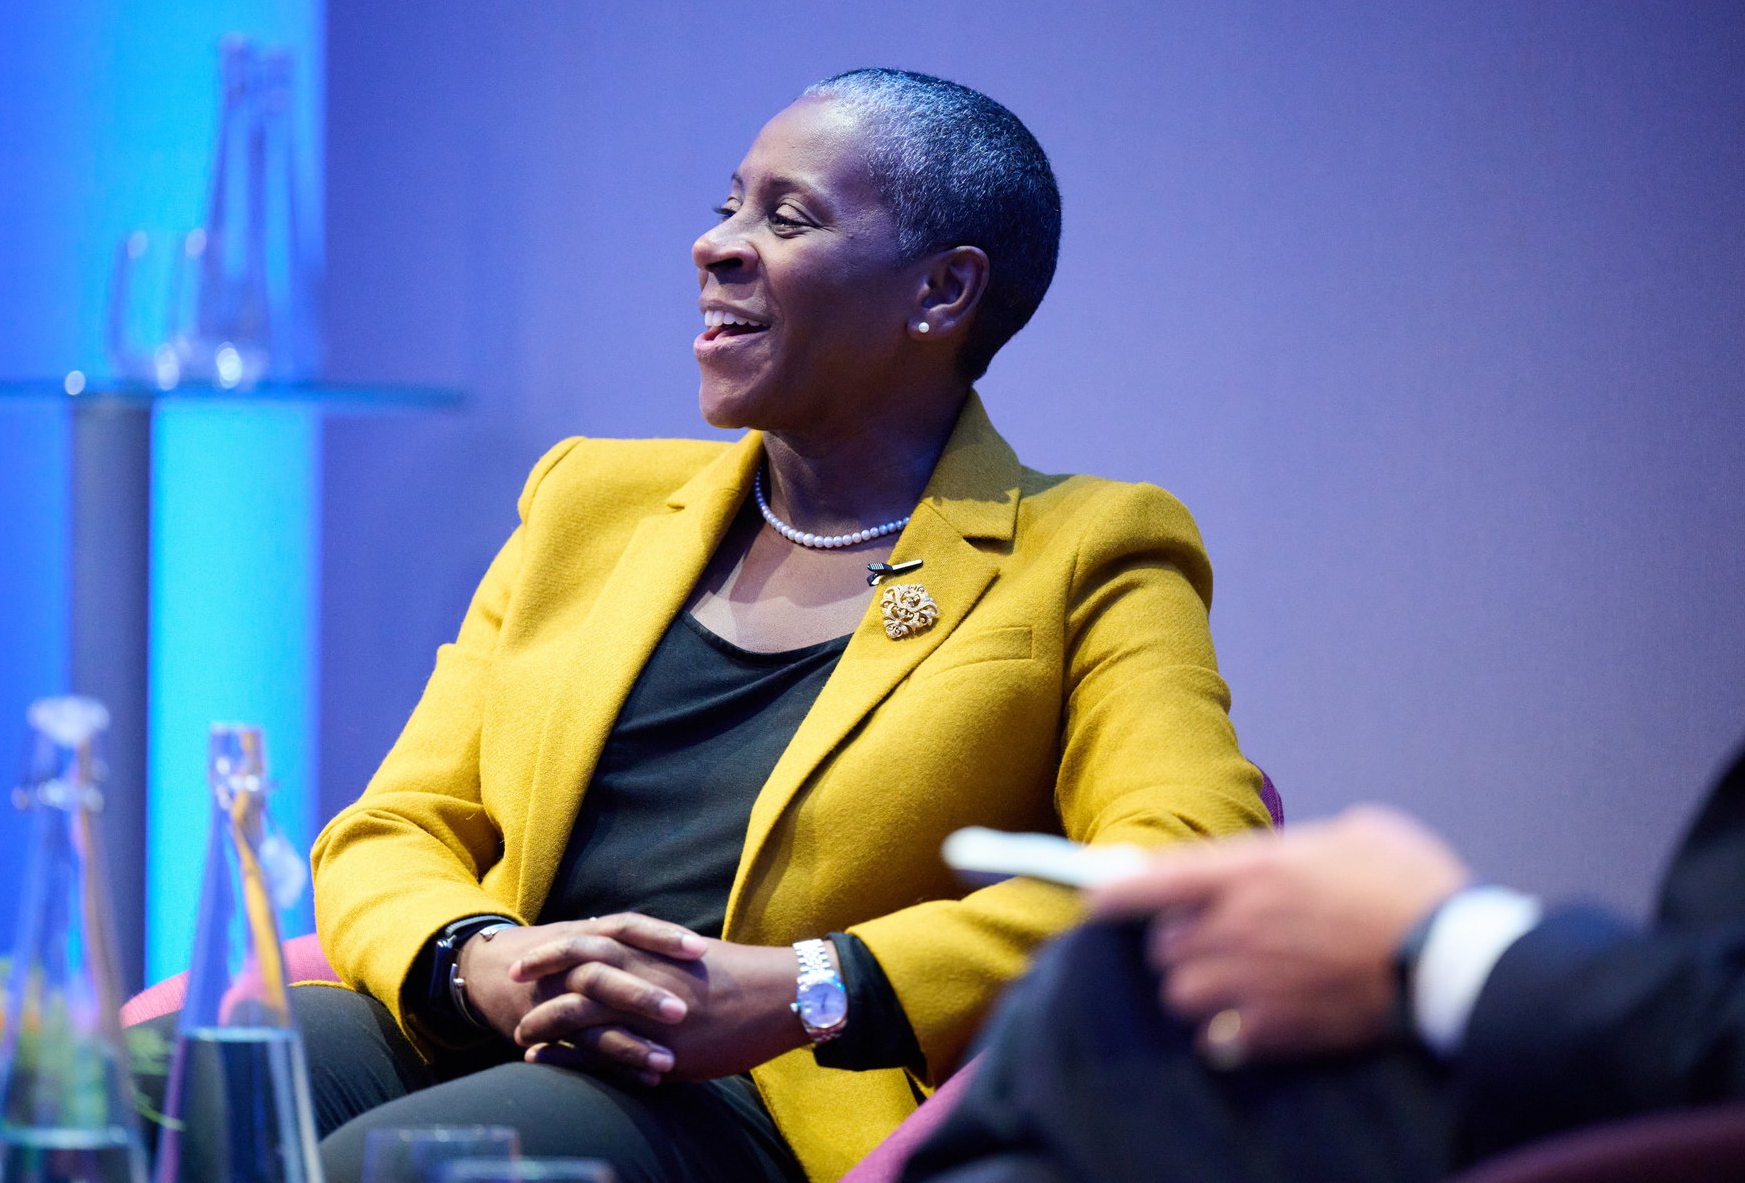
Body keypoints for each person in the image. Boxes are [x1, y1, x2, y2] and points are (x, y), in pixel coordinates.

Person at [279, 69, 1269, 1183]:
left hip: (755, 1098)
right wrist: (481, 957)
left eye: (786, 217)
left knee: (396, 1168)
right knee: (168, 1088)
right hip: (493, 1020)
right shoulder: (584, 502)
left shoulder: (1091, 548)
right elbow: (396, 823)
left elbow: (1189, 866)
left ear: (941, 291)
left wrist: (811, 983)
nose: (718, 248)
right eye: (728, 207)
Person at [899, 740, 1745, 1182]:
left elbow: (1185, 820)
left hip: (1653, 1102)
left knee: (1125, 996)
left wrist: (1445, 940)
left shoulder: (1096, 538)